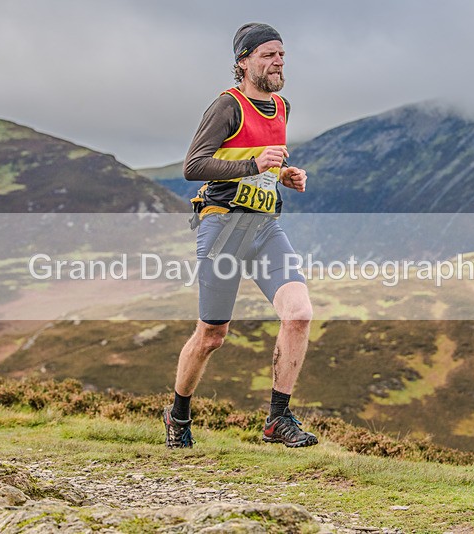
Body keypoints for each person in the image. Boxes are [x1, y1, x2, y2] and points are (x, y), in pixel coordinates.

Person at [163, 22, 318, 449]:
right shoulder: (227, 106)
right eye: (268, 55)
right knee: (212, 335)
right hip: (223, 228)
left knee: (299, 314)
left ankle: (277, 419)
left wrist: (284, 175)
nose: (278, 62)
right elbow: (194, 166)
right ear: (244, 61)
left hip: (265, 227)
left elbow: (264, 164)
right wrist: (254, 164)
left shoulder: (282, 107)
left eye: (281, 54)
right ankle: (178, 414)